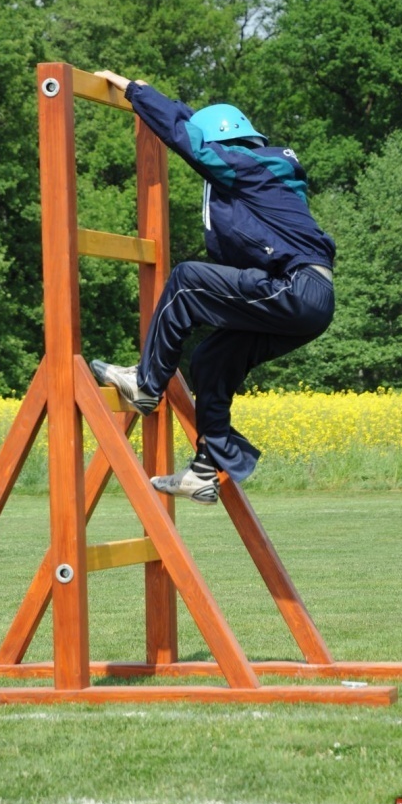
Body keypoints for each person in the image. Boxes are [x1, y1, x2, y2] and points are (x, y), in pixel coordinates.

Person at [90, 70, 335, 505]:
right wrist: (154, 101)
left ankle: (147, 383)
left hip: (297, 288)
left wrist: (137, 93)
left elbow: (193, 143)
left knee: (186, 281)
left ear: (228, 145)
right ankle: (204, 469)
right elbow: (193, 129)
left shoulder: (252, 167)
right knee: (211, 358)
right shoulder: (259, 171)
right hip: (305, 299)